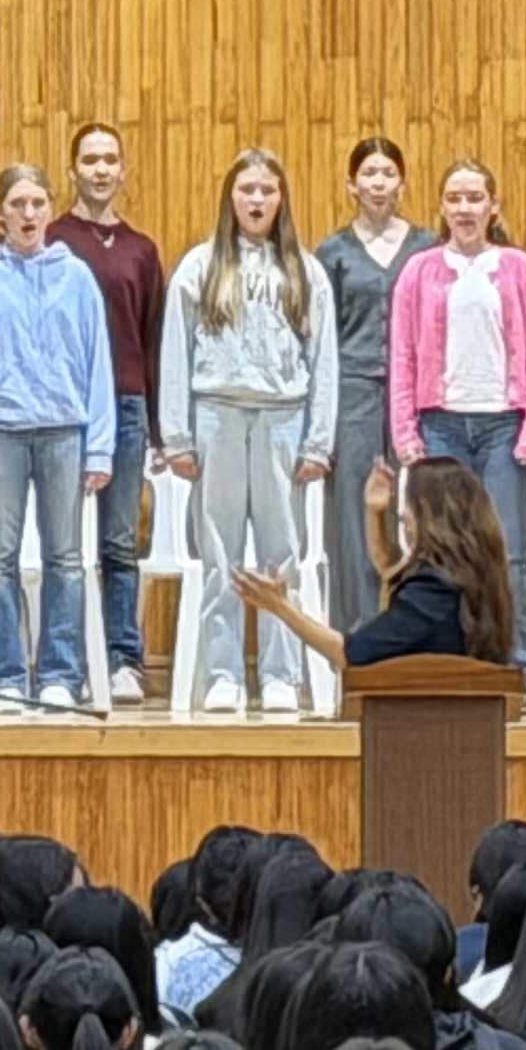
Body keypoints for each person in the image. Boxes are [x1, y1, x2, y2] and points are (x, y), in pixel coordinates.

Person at [157, 150, 339, 717]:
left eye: (267, 190)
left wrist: (318, 442)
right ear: (229, 198)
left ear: (281, 198)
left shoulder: (304, 271)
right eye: (246, 190)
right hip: (217, 412)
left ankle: (283, 674)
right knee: (221, 551)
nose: (256, 200)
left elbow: (324, 357)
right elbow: (175, 353)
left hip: (284, 415)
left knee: (282, 551)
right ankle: (223, 673)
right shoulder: (200, 266)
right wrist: (177, 436)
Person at [0, 163, 117, 717]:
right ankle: (5, 675)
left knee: (65, 558)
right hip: (4, 433)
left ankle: (60, 674)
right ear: (0, 212)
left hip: (65, 431)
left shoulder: (78, 278)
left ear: (50, 209)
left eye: (38, 203)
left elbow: (98, 366)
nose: (28, 214)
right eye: (17, 203)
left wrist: (100, 446)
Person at [386, 160, 526, 680]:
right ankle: (450, 664)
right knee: (440, 553)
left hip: (503, 427)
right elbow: (402, 356)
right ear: (441, 207)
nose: (465, 209)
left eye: (475, 198)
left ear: (492, 205)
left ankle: (515, 669)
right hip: (441, 426)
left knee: (506, 553)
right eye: (455, 198)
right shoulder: (419, 270)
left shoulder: (518, 268)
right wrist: (405, 432)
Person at [49, 125, 169, 710]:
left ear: (123, 170)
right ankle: (64, 659)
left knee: (119, 543)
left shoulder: (141, 250)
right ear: (72, 169)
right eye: (89, 159)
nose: (100, 170)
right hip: (64, 409)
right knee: (64, 544)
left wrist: (155, 426)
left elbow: (152, 339)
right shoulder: (50, 239)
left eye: (110, 160)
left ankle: (123, 657)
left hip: (123, 404)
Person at [237, 454, 516, 677]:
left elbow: (350, 654)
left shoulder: (432, 593)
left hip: (420, 730)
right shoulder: (477, 578)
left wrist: (280, 607)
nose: (405, 516)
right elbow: (390, 571)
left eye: (409, 505)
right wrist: (375, 512)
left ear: (429, 513)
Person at [315, 140, 426, 644]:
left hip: (418, 393)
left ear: (402, 183)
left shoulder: (426, 248)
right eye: (369, 172)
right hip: (354, 392)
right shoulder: (332, 253)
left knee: (422, 515)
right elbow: (318, 337)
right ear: (350, 185)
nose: (379, 182)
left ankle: (418, 635)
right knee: (356, 520)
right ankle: (358, 640)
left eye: (388, 172)